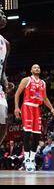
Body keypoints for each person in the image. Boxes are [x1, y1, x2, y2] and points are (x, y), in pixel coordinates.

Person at [14, 64, 54, 172]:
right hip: (27, 106)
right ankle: (27, 159)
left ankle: (32, 159)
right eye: (34, 67)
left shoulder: (43, 83)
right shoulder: (26, 80)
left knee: (37, 135)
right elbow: (17, 94)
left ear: (40, 70)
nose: (37, 68)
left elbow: (45, 98)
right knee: (27, 133)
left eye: (38, 67)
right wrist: (16, 107)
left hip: (37, 108)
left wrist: (52, 109)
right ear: (31, 70)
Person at [0, 9, 13, 146]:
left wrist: (6, 82)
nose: (4, 15)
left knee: (3, 120)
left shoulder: (6, 44)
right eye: (0, 12)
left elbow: (3, 70)